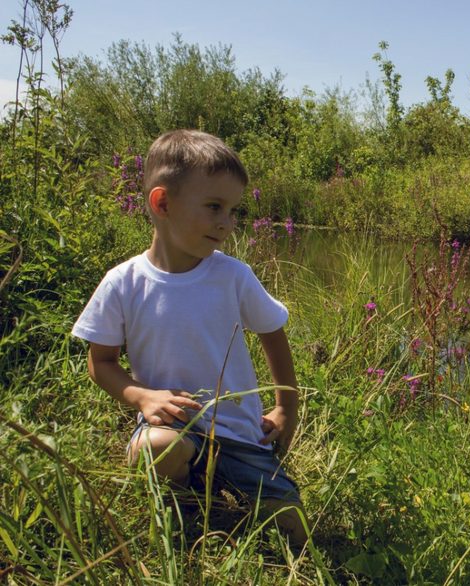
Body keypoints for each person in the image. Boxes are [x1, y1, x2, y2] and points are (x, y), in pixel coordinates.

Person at [72, 129, 306, 543]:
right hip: (173, 429)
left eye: (233, 210)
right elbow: (101, 362)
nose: (226, 223)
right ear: (162, 203)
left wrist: (286, 406)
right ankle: (187, 496)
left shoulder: (232, 276)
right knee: (155, 448)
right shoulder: (123, 283)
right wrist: (142, 397)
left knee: (291, 526)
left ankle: (228, 479)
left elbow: (273, 331)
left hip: (240, 434)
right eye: (214, 206)